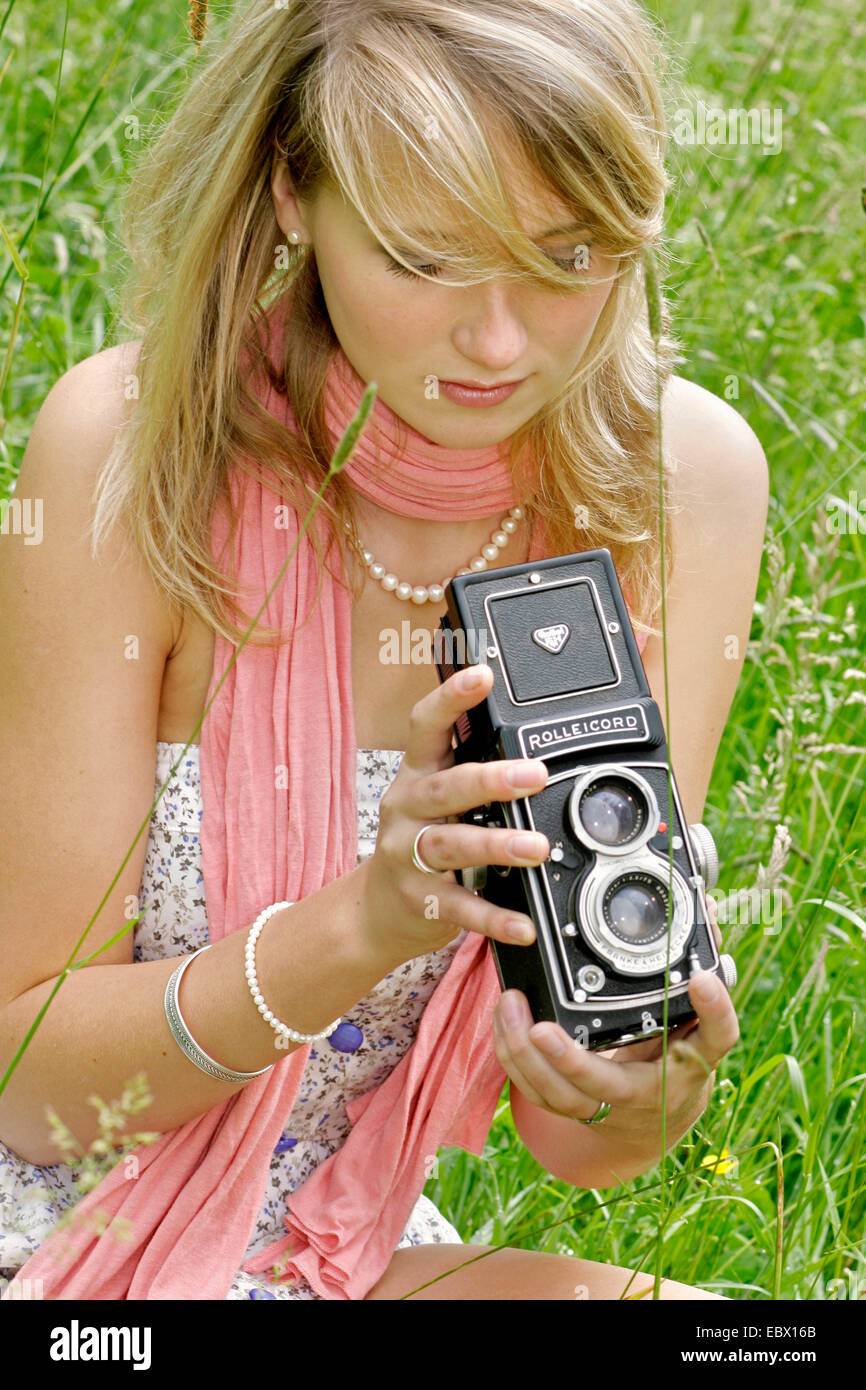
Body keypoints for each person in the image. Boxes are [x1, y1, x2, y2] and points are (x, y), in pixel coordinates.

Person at [0, 0, 768, 1301]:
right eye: (421, 259)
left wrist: (647, 1082)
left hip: (336, 1249)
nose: (498, 341)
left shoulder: (680, 479)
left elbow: (580, 1136)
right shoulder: (132, 447)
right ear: (295, 193)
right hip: (54, 1230)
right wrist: (354, 928)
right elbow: (32, 1088)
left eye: (566, 254)